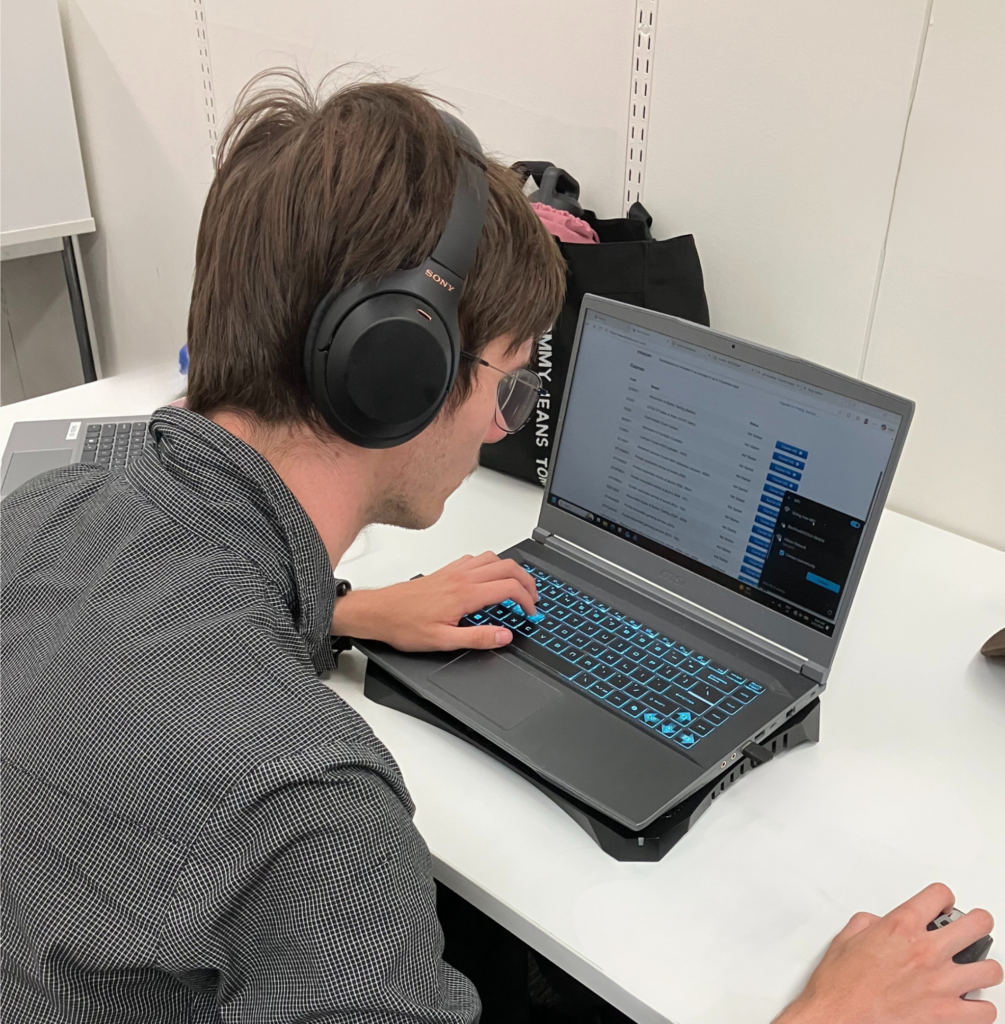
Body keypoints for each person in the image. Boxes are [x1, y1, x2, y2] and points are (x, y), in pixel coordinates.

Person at [1, 71, 999, 1024]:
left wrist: (338, 610)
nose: (497, 427)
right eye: (510, 382)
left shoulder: (54, 503)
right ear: (396, 369)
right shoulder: (311, 807)